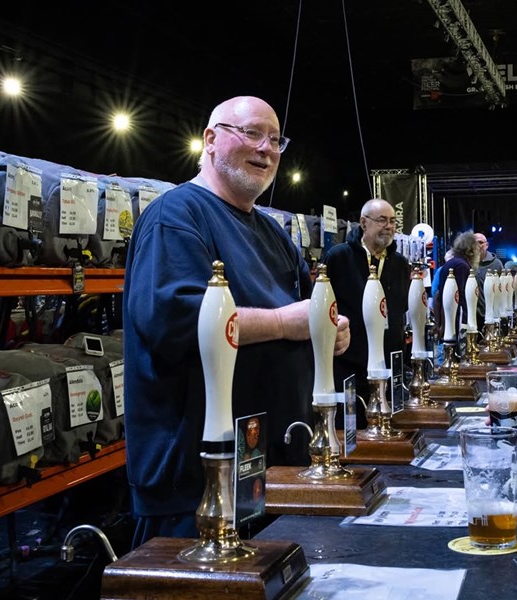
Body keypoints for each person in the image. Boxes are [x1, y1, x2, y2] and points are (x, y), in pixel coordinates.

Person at [122, 96, 350, 547]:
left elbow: (308, 311)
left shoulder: (271, 232)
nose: (266, 148)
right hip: (197, 482)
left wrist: (330, 330)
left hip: (268, 465)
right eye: (251, 133)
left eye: (275, 139)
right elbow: (177, 322)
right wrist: (287, 323)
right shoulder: (176, 216)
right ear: (210, 139)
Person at [323, 198, 409, 427]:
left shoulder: (401, 264)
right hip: (350, 369)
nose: (389, 226)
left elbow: (401, 312)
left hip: (390, 370)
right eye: (382, 220)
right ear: (363, 223)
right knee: (352, 437)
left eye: (393, 221)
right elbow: (322, 310)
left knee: (389, 436)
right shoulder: (338, 258)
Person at [432, 230, 481, 342]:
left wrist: (439, 323)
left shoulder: (452, 263)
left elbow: (438, 297)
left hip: (450, 320)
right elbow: (456, 299)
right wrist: (445, 325)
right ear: (471, 250)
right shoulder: (461, 266)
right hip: (457, 322)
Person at [473, 233, 504, 325]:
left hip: (490, 314)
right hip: (471, 314)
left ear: (486, 245)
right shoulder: (466, 262)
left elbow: (501, 289)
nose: (477, 245)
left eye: (480, 242)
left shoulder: (496, 264)